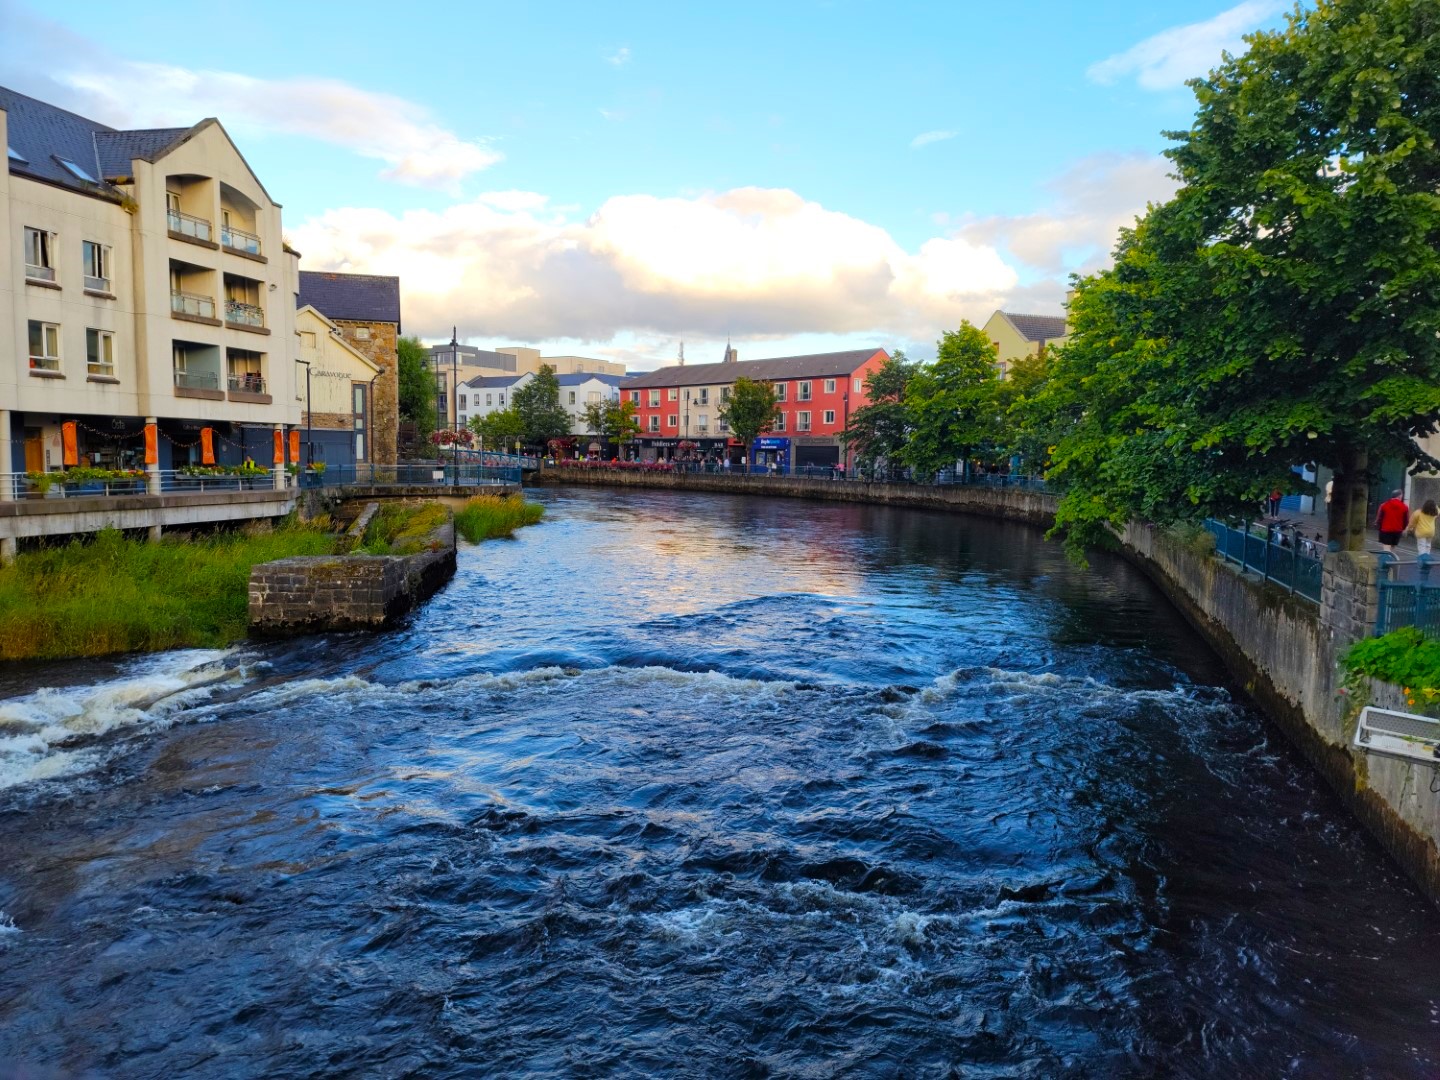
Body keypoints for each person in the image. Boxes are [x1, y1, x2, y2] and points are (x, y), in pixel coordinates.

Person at [1375, 489, 1410, 554]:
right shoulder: (1404, 507)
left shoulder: (1384, 505)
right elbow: (1406, 520)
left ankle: (1386, 561)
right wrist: (1403, 528)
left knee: (1386, 548)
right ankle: (1392, 562)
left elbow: (1379, 518)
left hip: (1385, 530)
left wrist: (1378, 526)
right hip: (1397, 530)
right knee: (1393, 548)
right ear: (1399, 496)